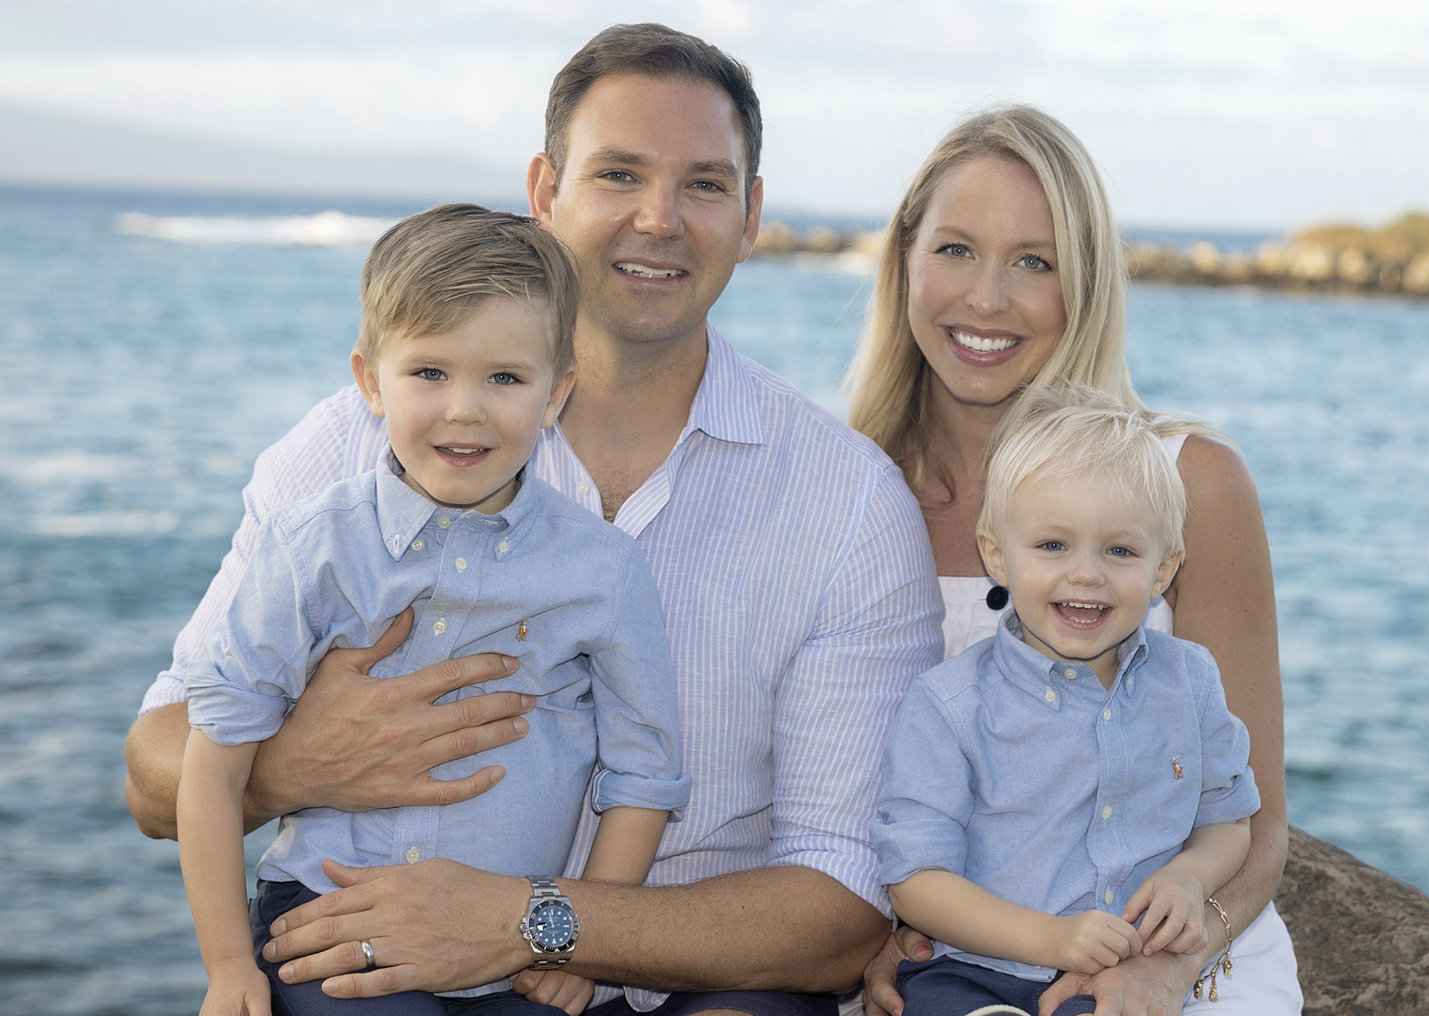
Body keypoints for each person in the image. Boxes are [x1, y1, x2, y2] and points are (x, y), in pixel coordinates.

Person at [124, 23, 943, 1016]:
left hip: (708, 978)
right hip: (374, 941)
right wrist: (297, 765)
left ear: (751, 213)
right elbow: (155, 769)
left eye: (703, 184)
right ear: (545, 192)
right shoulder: (346, 445)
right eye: (619, 174)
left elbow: (846, 900)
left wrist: (538, 919)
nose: (659, 218)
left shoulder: (848, 503)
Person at [177, 204, 690, 1016]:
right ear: (370, 382)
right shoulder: (310, 547)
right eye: (429, 372)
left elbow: (645, 775)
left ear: (555, 392)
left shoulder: (602, 568)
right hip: (329, 921)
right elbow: (214, 759)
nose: (464, 409)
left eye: (505, 378)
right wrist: (228, 966)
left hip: (514, 947)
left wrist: (584, 940)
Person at [845, 105, 1300, 1015]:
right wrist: (865, 939)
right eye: (955, 250)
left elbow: (1260, 824)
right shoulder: (846, 493)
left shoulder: (1191, 482)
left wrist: (1162, 970)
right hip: (961, 971)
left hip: (1181, 967)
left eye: (1035, 262)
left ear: (1085, 282)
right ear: (905, 261)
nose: (986, 298)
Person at [873, 387, 1261, 1016]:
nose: (1087, 573)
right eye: (1053, 546)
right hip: (975, 972)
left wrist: (1192, 876)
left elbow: (1229, 818)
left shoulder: (1189, 681)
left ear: (1164, 570)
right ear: (998, 554)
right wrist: (1052, 938)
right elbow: (916, 880)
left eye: (1121, 550)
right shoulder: (950, 705)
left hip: (1129, 976)